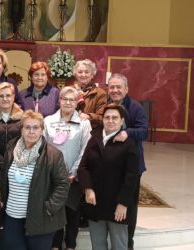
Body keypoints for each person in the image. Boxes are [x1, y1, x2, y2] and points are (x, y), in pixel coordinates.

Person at [0, 110, 70, 250]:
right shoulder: (12, 148)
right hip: (12, 215)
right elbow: (2, 176)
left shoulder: (53, 155)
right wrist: (0, 197)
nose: (31, 131)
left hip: (40, 218)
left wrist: (49, 208)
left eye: (36, 127)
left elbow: (62, 185)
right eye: (27, 127)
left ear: (42, 130)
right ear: (21, 129)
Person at [77, 103, 139, 250]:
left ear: (122, 121)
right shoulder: (94, 139)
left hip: (117, 206)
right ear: (102, 119)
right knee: (98, 245)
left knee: (119, 245)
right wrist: (87, 188)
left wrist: (123, 203)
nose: (110, 120)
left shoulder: (128, 144)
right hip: (95, 203)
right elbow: (83, 167)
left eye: (115, 118)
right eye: (107, 117)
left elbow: (131, 177)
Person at [44, 86, 91, 250]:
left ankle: (71, 245)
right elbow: (42, 147)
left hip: (73, 177)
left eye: (72, 99)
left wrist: (74, 172)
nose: (68, 102)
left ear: (77, 102)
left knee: (72, 213)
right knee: (55, 212)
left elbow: (86, 149)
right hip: (52, 176)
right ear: (59, 101)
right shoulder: (48, 121)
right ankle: (55, 245)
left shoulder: (84, 123)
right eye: (65, 99)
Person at [107, 73, 148, 250]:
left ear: (126, 89)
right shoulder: (107, 107)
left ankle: (128, 241)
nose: (115, 90)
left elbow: (144, 131)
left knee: (128, 204)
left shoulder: (135, 107)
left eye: (118, 87)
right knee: (112, 200)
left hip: (131, 166)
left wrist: (127, 133)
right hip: (110, 166)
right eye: (112, 87)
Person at [73, 59, 107, 129]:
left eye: (87, 72)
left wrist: (89, 116)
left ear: (92, 75)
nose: (83, 74)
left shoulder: (100, 93)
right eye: (80, 72)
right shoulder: (69, 90)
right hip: (71, 130)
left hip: (91, 132)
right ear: (75, 74)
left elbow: (102, 118)